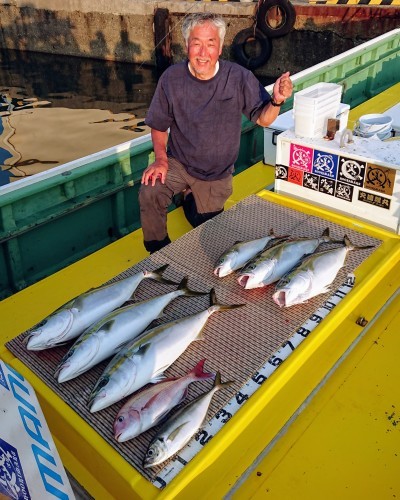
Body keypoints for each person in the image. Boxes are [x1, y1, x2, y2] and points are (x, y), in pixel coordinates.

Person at [139, 12, 293, 254]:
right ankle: (157, 250)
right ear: (187, 46)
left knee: (208, 228)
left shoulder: (239, 77)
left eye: (210, 44)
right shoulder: (171, 78)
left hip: (215, 173)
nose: (203, 53)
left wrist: (277, 100)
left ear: (220, 48)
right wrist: (160, 160)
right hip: (179, 162)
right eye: (196, 43)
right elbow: (158, 124)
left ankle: (189, 197)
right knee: (150, 189)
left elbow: (263, 119)